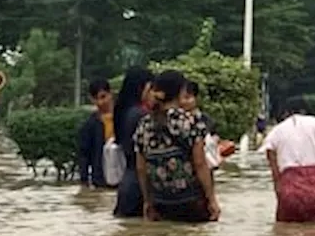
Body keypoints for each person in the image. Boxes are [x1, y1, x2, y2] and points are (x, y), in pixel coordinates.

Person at [134, 69, 221, 223]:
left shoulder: (144, 124)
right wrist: (212, 199)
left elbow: (141, 168)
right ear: (180, 91)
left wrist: (148, 201)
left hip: (161, 202)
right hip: (190, 200)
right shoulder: (190, 121)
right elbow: (200, 164)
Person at [263, 96, 315, 223]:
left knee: (286, 235)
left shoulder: (276, 131)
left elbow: (274, 170)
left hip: (289, 186)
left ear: (286, 113)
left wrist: (279, 192)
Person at [112, 67, 153, 217]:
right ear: (141, 88)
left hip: (127, 184)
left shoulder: (124, 111)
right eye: (150, 88)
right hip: (139, 186)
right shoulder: (140, 115)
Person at [78, 78, 116, 189]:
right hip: (101, 179)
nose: (100, 102)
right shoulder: (90, 124)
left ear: (110, 94)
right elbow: (84, 154)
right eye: (95, 99)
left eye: (103, 97)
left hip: (122, 177)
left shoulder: (124, 118)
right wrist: (84, 180)